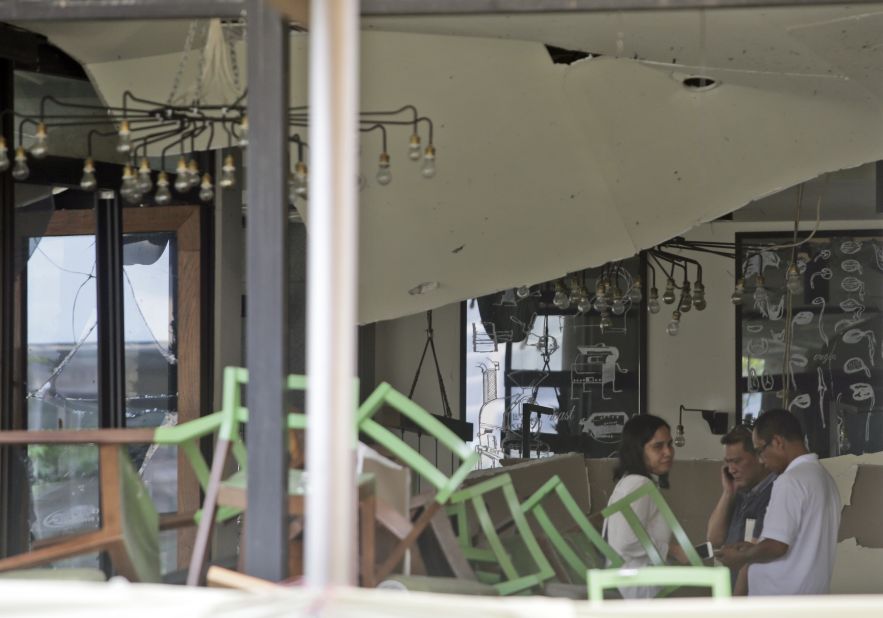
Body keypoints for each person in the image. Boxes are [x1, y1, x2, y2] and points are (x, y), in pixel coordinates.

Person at [716, 409, 841, 595]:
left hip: (780, 602)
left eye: (760, 450)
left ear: (777, 442)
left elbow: (777, 546)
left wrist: (741, 556)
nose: (761, 460)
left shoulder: (790, 480)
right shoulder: (823, 477)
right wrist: (754, 549)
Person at [603, 414, 687, 598]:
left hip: (628, 584)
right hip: (636, 588)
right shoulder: (640, 484)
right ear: (637, 451)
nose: (668, 452)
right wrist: (673, 550)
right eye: (658, 446)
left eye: (669, 444)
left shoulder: (630, 481)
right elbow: (626, 541)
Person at [706, 425, 775, 588]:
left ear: (759, 457)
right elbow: (714, 539)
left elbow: (753, 556)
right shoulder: (740, 493)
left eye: (737, 461)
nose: (732, 469)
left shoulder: (774, 494)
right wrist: (728, 493)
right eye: (728, 463)